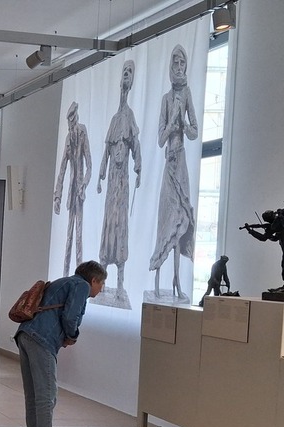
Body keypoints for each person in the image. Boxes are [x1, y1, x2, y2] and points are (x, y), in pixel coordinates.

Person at [14, 260, 107, 427]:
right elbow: (71, 316)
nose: (101, 289)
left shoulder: (64, 281)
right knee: (47, 395)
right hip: (42, 338)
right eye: (101, 284)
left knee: (34, 394)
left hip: (25, 334)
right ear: (93, 280)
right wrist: (72, 336)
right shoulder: (81, 286)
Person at [149, 45, 198, 298]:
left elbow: (194, 132)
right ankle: (158, 277)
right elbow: (160, 139)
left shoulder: (187, 93)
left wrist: (184, 122)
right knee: (166, 220)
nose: (179, 67)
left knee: (181, 220)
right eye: (175, 63)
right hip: (169, 164)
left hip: (181, 166)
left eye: (182, 63)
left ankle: (177, 280)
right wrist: (172, 122)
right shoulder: (166, 99)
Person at [97, 60, 142, 298]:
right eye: (124, 71)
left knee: (120, 225)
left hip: (122, 181)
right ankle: (102, 280)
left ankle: (120, 284)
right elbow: (106, 150)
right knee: (109, 224)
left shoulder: (130, 116)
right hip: (112, 182)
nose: (126, 75)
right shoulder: (115, 119)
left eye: (129, 72)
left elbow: (136, 145)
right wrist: (100, 175)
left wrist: (139, 168)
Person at [54, 102, 92, 277]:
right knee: (69, 236)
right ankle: (65, 275)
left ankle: (80, 277)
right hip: (71, 193)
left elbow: (89, 164)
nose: (70, 125)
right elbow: (62, 168)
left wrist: (84, 184)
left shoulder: (83, 132)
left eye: (71, 121)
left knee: (78, 236)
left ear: (75, 118)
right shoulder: (68, 138)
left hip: (79, 193)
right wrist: (58, 196)